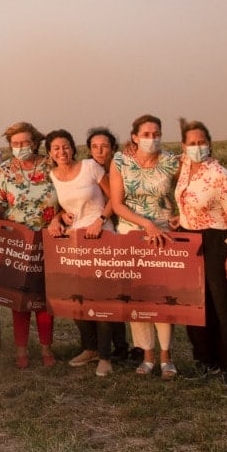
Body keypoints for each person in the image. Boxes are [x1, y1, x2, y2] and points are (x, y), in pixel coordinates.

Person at [0, 122, 59, 369]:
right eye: (16, 143)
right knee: (20, 297)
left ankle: (46, 349)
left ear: (35, 142)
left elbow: (64, 196)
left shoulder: (50, 165)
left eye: (25, 142)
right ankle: (21, 351)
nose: (21, 147)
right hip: (18, 239)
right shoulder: (5, 169)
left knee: (44, 298)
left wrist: (57, 217)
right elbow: (2, 203)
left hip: (48, 238)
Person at [172, 119, 227, 388]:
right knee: (196, 305)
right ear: (184, 145)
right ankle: (206, 360)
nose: (197, 147)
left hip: (216, 240)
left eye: (201, 141)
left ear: (209, 142)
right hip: (189, 239)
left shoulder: (220, 175)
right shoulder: (185, 167)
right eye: (191, 143)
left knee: (222, 306)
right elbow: (185, 200)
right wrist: (178, 218)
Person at [110, 114, 182, 379]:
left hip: (164, 235)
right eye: (146, 134)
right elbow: (117, 203)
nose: (152, 139)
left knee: (163, 297)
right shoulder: (121, 161)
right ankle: (147, 355)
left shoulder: (172, 161)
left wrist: (180, 217)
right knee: (137, 296)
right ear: (135, 137)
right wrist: (144, 224)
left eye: (156, 134)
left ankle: (166, 356)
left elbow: (186, 191)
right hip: (130, 233)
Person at [45, 129, 117, 377]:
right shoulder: (52, 176)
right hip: (74, 242)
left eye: (65, 147)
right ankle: (90, 347)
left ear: (73, 148)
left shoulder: (90, 167)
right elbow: (57, 209)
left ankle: (106, 356)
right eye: (56, 148)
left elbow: (115, 198)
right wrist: (56, 218)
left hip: (101, 235)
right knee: (77, 297)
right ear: (50, 153)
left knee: (102, 299)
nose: (61, 152)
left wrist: (101, 219)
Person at [84, 127, 129, 361]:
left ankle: (121, 346)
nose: (99, 151)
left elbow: (116, 198)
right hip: (102, 233)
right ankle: (102, 346)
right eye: (94, 146)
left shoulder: (119, 167)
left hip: (119, 231)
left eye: (104, 146)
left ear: (113, 147)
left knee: (114, 291)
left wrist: (101, 219)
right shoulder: (89, 169)